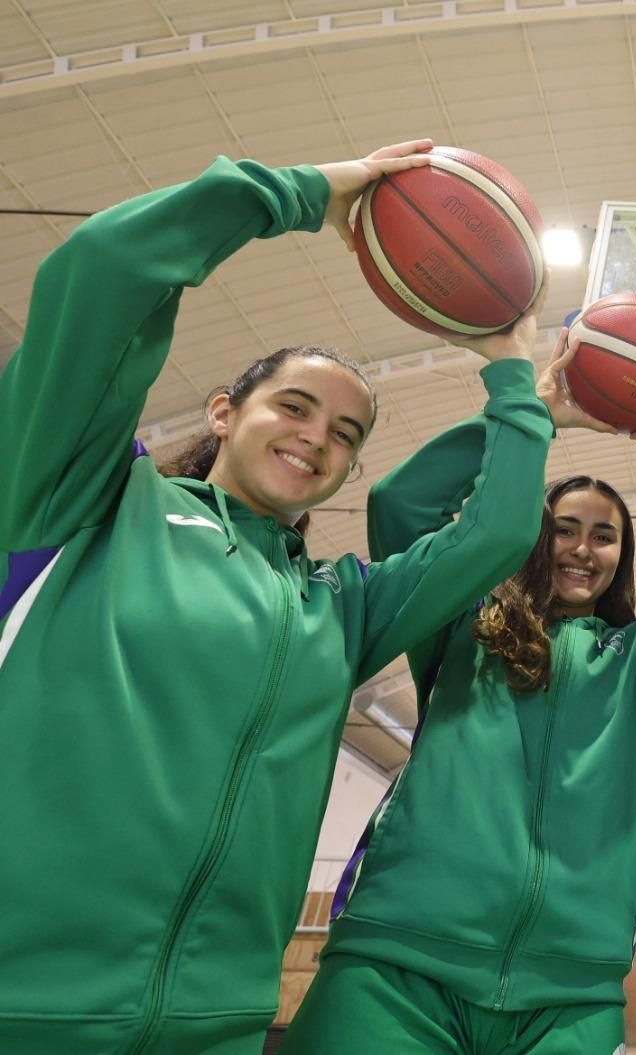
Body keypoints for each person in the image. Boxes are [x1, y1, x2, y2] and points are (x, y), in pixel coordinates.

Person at [0, 142, 553, 1055]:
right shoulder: (86, 502)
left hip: (217, 1026)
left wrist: (512, 369)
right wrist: (299, 196)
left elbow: (495, 532)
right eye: (292, 406)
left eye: (343, 433)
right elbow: (99, 272)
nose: (314, 440)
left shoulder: (338, 606)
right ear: (223, 410)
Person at [281, 349, 636, 1055]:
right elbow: (401, 504)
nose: (583, 548)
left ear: (622, 555)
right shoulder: (462, 623)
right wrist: (530, 418)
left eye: (604, 534)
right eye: (566, 527)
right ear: (534, 536)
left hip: (569, 997)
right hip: (400, 968)